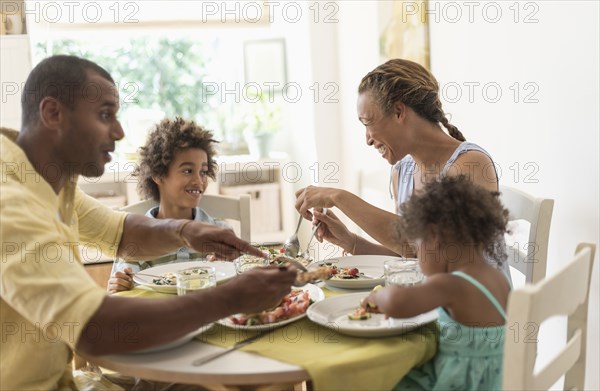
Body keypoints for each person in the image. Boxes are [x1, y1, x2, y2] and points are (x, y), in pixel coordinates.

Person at [0, 55, 296, 391]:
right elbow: (96, 330)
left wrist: (185, 231)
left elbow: (123, 233)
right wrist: (230, 298)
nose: (119, 131)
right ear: (53, 113)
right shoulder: (9, 204)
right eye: (105, 115)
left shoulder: (48, 181)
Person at [295, 58, 508, 275]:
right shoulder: (403, 171)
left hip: (474, 304)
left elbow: (436, 253)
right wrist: (351, 242)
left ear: (398, 112)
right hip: (432, 298)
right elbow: (411, 257)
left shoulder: (470, 165)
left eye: (368, 123)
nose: (367, 139)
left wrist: (338, 197)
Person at [362, 175, 511, 390]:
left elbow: (397, 302)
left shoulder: (451, 284)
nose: (418, 258)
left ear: (434, 236)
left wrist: (378, 296)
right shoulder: (498, 278)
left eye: (417, 248)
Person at [107, 117, 231, 293]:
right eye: (187, 171)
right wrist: (119, 286)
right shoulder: (137, 238)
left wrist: (230, 271)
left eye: (203, 172)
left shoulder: (220, 232)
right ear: (158, 175)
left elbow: (241, 288)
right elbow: (125, 294)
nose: (199, 181)